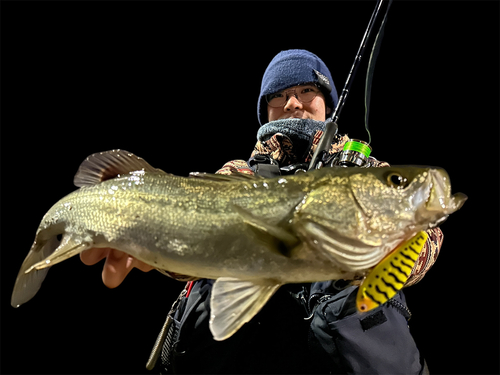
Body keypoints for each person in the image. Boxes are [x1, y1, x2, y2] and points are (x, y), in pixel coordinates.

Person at [81, 49, 442, 374]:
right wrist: (152, 245)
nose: (292, 103)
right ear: (265, 109)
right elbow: (195, 245)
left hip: (344, 348)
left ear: (326, 102)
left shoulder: (368, 171)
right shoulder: (239, 174)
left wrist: (394, 252)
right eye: (279, 96)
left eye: (305, 91)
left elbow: (429, 236)